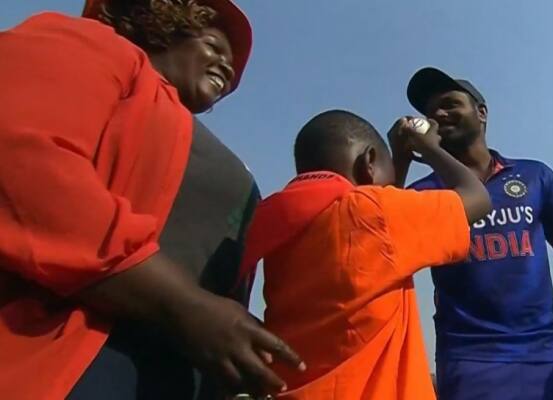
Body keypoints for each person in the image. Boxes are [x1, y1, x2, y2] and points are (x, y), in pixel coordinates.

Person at [0, 2, 304, 399]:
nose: (228, 71)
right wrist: (183, 305)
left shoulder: (211, 148)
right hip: (67, 361)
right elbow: (23, 161)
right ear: (165, 24)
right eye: (214, 46)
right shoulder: (89, 44)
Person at [238, 110, 492, 399]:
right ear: (368, 162)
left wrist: (399, 158)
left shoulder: (285, 224)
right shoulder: (371, 213)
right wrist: (428, 147)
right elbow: (477, 198)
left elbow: (380, 243)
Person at [404, 67, 553, 400]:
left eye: (449, 103)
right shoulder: (423, 193)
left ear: (481, 112)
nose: (439, 115)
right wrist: (402, 159)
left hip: (544, 354)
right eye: (430, 113)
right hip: (468, 358)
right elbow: (376, 244)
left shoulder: (535, 176)